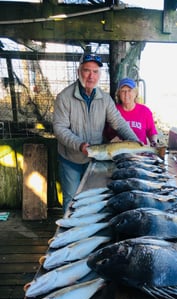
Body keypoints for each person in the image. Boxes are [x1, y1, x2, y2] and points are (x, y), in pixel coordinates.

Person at [53, 54, 139, 213]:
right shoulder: (64, 97)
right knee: (71, 198)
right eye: (87, 71)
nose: (91, 76)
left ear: (100, 74)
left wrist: (136, 143)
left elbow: (119, 123)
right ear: (79, 71)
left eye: (95, 71)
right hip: (70, 159)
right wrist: (79, 145)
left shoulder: (105, 99)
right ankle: (67, 234)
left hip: (95, 158)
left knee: (94, 198)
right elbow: (60, 128)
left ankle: (85, 233)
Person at [103, 77, 158, 146]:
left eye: (129, 90)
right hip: (118, 151)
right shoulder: (113, 110)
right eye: (123, 91)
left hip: (140, 152)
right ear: (119, 94)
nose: (126, 94)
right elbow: (105, 133)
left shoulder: (145, 111)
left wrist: (154, 142)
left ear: (135, 93)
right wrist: (111, 140)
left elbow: (151, 132)